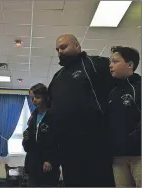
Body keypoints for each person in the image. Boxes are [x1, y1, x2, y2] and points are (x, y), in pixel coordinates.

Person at [48, 34, 115, 186]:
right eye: (57, 49)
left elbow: (121, 87)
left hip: (97, 143)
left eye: (64, 47)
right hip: (68, 147)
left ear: (77, 45)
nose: (59, 51)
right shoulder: (57, 77)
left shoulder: (97, 64)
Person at [108, 46, 141, 187]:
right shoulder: (111, 92)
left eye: (115, 61)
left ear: (130, 64)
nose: (110, 65)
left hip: (138, 155)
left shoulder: (139, 87)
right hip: (117, 157)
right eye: (110, 62)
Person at [22, 83, 60, 187]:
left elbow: (58, 142)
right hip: (33, 165)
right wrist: (26, 138)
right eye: (32, 98)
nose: (34, 100)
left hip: (48, 166)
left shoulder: (54, 116)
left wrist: (51, 160)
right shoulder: (32, 118)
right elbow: (28, 145)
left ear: (46, 97)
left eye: (37, 97)